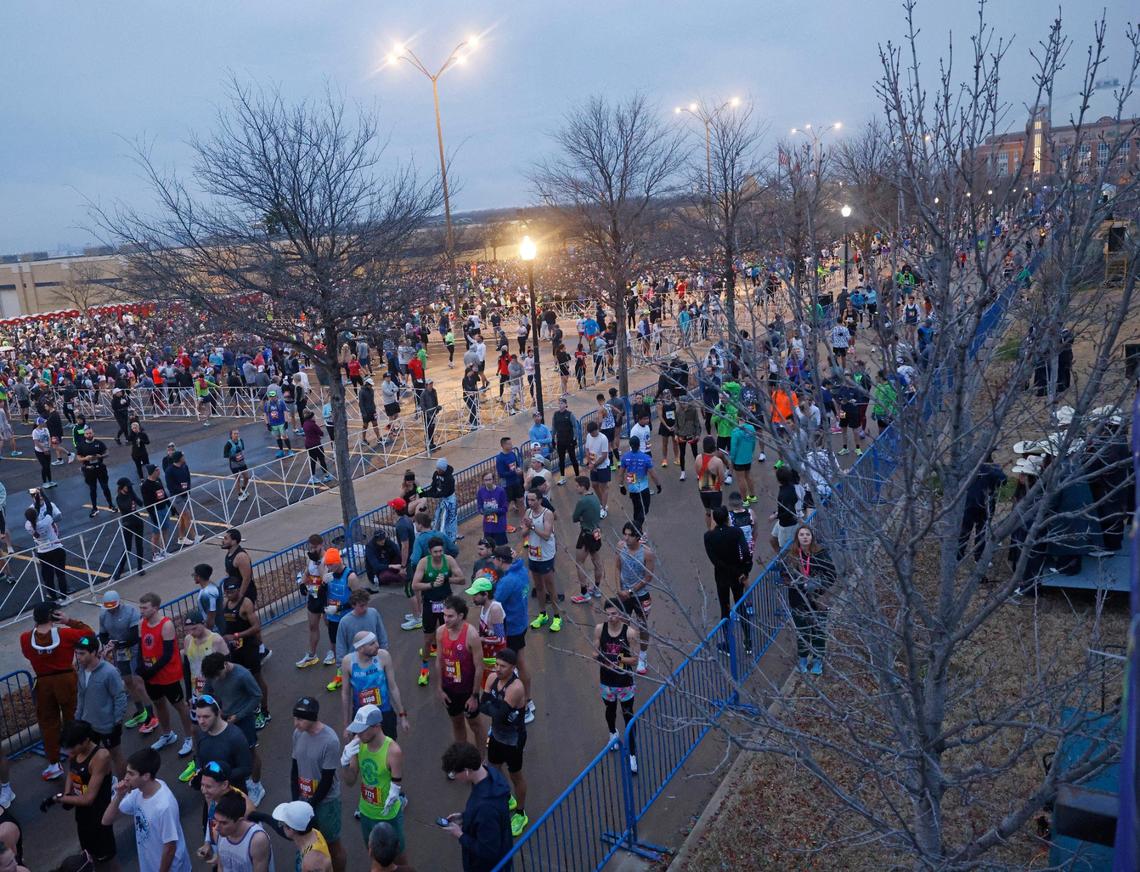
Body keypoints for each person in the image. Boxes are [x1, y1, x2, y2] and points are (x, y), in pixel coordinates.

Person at [20, 602, 93, 779]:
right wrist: (69, 621)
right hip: (65, 679)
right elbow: (89, 635)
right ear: (52, 615)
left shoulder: (25, 638)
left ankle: (54, 763)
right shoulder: (65, 634)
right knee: (72, 718)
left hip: (43, 683)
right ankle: (78, 754)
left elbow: (27, 654)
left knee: (48, 723)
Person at [101, 747, 193, 872]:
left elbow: (170, 848)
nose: (126, 777)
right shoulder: (138, 792)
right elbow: (106, 820)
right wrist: (119, 795)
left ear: (146, 776)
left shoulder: (164, 806)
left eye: (131, 773)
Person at [341, 705, 407, 861]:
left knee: (399, 857)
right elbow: (350, 781)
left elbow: (397, 782)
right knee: (375, 856)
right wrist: (344, 763)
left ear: (377, 726)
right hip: (366, 813)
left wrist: (394, 793)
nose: (358, 734)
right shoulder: (357, 745)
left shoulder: (393, 751)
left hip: (389, 815)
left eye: (362, 730)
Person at [54, 719, 118, 871]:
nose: (69, 751)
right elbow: (72, 771)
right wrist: (68, 791)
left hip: (99, 817)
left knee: (108, 861)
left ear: (86, 740)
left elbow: (89, 798)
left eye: (72, 747)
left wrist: (61, 798)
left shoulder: (101, 757)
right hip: (82, 816)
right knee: (89, 857)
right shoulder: (75, 751)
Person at [201, 653, 266, 805]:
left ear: (225, 665)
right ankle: (239, 783)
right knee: (230, 754)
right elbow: (207, 690)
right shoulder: (213, 674)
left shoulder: (242, 674)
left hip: (244, 721)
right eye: (213, 677)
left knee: (251, 753)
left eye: (217, 675)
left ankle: (257, 785)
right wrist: (213, 709)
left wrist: (239, 715)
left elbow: (257, 696)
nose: (216, 679)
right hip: (224, 720)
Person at [439, 741, 513, 872]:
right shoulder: (491, 776)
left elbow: (488, 851)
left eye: (455, 773)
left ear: (467, 771)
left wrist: (460, 835)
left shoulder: (486, 808)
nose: (454, 777)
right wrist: (464, 816)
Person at [136, 592, 195, 757]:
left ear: (155, 608)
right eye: (140, 607)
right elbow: (141, 647)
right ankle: (167, 734)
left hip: (167, 674)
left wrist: (151, 670)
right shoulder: (142, 623)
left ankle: (190, 737)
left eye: (145, 607)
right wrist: (141, 666)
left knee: (179, 706)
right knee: (158, 704)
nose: (142, 610)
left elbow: (168, 654)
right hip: (151, 675)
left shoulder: (166, 625)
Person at [479, 648, 529, 837]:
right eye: (496, 664)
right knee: (494, 768)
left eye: (503, 666)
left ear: (513, 668)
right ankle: (507, 797)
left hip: (513, 739)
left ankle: (520, 813)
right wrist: (492, 706)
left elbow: (497, 715)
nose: (498, 669)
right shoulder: (492, 678)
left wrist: (491, 706)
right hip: (497, 736)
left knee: (516, 775)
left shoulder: (516, 687)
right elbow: (484, 704)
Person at [97, 590, 156, 734]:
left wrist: (117, 643)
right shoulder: (104, 615)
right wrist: (108, 643)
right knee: (127, 681)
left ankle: (151, 715)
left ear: (119, 604)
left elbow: (134, 635)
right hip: (120, 652)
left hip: (134, 650)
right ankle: (140, 711)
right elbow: (103, 635)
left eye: (113, 607)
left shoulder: (130, 612)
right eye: (108, 608)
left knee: (138, 682)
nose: (111, 610)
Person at [780, 525, 836, 675]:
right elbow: (784, 575)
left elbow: (832, 574)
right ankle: (803, 658)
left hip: (818, 599)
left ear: (812, 537)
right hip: (798, 599)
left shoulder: (820, 554)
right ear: (797, 538)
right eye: (802, 534)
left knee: (818, 631)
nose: (805, 537)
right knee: (802, 631)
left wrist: (818, 584)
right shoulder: (791, 555)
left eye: (808, 534)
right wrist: (793, 581)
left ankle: (818, 660)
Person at [411, 537, 467, 687]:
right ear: (430, 552)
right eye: (435, 551)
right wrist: (431, 584)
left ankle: (451, 666)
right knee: (428, 639)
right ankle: (424, 668)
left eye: (441, 551)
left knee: (449, 636)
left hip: (446, 604)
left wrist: (448, 578)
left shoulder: (448, 560)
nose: (438, 554)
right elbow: (415, 585)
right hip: (430, 604)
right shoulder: (424, 562)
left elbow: (462, 579)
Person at [490, 546, 535, 724]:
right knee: (520, 663)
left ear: (501, 560)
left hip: (512, 628)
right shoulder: (521, 570)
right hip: (521, 622)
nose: (493, 562)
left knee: (518, 664)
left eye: (495, 559)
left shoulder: (508, 581)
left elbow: (495, 602)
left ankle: (526, 703)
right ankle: (528, 701)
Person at [595, 598, 640, 773]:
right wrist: (599, 656)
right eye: (608, 614)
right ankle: (612, 733)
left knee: (628, 714)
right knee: (610, 710)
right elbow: (594, 650)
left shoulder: (629, 633)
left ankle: (632, 754)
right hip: (607, 680)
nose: (611, 617)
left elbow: (635, 659)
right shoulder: (600, 629)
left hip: (624, 681)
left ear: (620, 614)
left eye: (614, 614)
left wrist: (617, 660)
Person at [703, 505, 755, 656]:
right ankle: (748, 641)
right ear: (727, 518)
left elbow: (714, 560)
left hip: (721, 576)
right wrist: (743, 570)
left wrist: (726, 568)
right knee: (741, 606)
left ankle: (728, 643)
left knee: (724, 609)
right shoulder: (736, 532)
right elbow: (745, 552)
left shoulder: (708, 536)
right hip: (737, 574)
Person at [220, 576, 271, 727]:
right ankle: (248, 709)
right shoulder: (225, 603)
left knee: (256, 678)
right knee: (238, 679)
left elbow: (256, 627)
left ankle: (265, 711)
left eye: (231, 591)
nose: (228, 594)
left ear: (238, 590)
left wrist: (236, 635)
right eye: (226, 591)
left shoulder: (246, 603)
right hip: (234, 650)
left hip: (249, 647)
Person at [74, 636, 129, 778]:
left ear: (93, 653)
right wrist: (78, 718)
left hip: (108, 725)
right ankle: (105, 784)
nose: (78, 657)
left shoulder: (109, 672)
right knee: (94, 758)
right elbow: (81, 696)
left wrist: (117, 722)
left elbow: (120, 697)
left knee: (115, 755)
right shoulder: (81, 670)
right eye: (77, 653)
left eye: (82, 654)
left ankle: (125, 787)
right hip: (88, 725)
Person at [340, 630, 408, 740]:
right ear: (360, 648)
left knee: (388, 749)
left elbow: (393, 687)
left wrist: (402, 715)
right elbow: (345, 694)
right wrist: (346, 725)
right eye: (372, 644)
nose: (377, 645)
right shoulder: (348, 662)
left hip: (384, 713)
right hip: (361, 717)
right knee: (363, 751)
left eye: (376, 641)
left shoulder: (383, 656)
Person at [436, 597, 484, 747]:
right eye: (444, 615)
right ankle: (462, 760)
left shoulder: (471, 635)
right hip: (450, 690)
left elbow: (479, 667)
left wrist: (474, 696)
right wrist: (439, 688)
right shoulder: (440, 632)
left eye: (450, 616)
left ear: (461, 616)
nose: (445, 619)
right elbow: (439, 661)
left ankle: (481, 760)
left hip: (467, 691)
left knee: (475, 725)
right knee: (457, 724)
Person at [523, 489, 561, 632]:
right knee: (538, 586)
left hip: (546, 554)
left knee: (550, 585)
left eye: (533, 500)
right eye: (528, 500)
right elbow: (523, 533)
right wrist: (527, 526)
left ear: (540, 500)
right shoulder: (527, 513)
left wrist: (532, 526)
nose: (530, 503)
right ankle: (542, 614)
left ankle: (557, 616)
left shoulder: (547, 514)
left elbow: (546, 535)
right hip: (533, 553)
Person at [211, 790, 274, 871]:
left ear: (240, 820)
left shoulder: (257, 840)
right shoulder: (218, 832)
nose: (216, 827)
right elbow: (221, 866)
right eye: (216, 820)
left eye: (224, 823)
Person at [25, 489, 69, 600]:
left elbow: (36, 510)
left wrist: (35, 499)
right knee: (60, 574)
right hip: (56, 548)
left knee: (48, 577)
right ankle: (64, 597)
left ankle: (53, 597)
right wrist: (43, 494)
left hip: (43, 552)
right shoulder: (46, 521)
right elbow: (48, 507)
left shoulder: (28, 526)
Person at [618, 435, 662, 536]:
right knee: (644, 510)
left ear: (630, 445)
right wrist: (658, 485)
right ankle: (636, 531)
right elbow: (653, 474)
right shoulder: (646, 458)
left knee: (636, 509)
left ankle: (638, 531)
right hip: (643, 489)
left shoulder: (625, 457)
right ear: (639, 445)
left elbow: (621, 473)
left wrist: (621, 486)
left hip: (632, 489)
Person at [570, 476, 605, 602]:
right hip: (596, 533)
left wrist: (582, 518)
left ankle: (584, 593)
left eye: (577, 486)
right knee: (597, 562)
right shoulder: (595, 497)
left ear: (582, 486)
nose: (575, 488)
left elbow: (574, 518)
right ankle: (597, 589)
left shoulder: (582, 501)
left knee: (579, 563)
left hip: (586, 534)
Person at [112, 477, 147, 580]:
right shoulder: (119, 497)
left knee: (139, 544)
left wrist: (133, 495)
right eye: (128, 486)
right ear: (122, 487)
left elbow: (140, 503)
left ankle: (140, 567)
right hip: (128, 523)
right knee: (128, 548)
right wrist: (131, 497)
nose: (130, 488)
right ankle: (120, 570)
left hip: (137, 521)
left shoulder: (131, 493)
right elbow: (125, 508)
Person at [165, 451, 202, 547]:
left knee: (182, 518)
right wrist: (181, 490)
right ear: (179, 458)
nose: (184, 457)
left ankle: (181, 538)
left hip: (185, 495)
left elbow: (188, 479)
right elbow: (170, 486)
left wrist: (188, 490)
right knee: (187, 515)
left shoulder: (185, 466)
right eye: (182, 456)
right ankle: (195, 537)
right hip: (177, 497)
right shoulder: (169, 471)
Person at [76, 426, 114, 517]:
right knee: (92, 489)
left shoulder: (99, 443)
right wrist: (86, 458)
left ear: (93, 433)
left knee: (105, 487)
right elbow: (78, 458)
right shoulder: (81, 445)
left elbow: (107, 453)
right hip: (89, 470)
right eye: (87, 433)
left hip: (100, 468)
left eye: (90, 433)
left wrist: (100, 456)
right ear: (84, 435)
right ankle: (94, 508)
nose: (89, 435)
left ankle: (111, 505)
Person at [421, 458, 459, 543]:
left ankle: (450, 540)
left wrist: (430, 494)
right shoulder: (436, 474)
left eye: (440, 469)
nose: (437, 470)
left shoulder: (449, 478)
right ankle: (437, 537)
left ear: (443, 469)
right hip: (442, 500)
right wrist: (422, 492)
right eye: (437, 468)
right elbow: (433, 488)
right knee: (437, 517)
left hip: (450, 501)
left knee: (449, 520)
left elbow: (443, 492)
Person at [141, 464, 174, 561]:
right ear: (152, 472)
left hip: (163, 509)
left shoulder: (158, 481)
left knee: (165, 530)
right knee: (156, 533)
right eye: (157, 470)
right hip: (155, 511)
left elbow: (164, 495)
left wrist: (171, 507)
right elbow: (147, 503)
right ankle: (155, 554)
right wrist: (153, 515)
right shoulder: (145, 486)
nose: (159, 472)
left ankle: (163, 550)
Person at [695, 435, 727, 530]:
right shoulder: (717, 461)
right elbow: (722, 478)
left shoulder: (698, 458)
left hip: (703, 490)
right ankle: (714, 534)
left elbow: (697, 472)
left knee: (708, 512)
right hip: (715, 491)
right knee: (715, 514)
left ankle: (709, 530)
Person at [583, 420, 611, 519]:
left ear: (597, 430)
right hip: (593, 465)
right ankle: (602, 503)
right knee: (594, 485)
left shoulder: (603, 438)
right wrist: (590, 462)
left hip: (603, 466)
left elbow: (604, 455)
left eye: (593, 432)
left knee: (604, 487)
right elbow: (587, 449)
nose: (592, 434)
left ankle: (603, 509)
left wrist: (594, 465)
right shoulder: (589, 436)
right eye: (590, 433)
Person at [475, 472, 509, 547]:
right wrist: (482, 511)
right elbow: (479, 506)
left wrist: (494, 510)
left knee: (500, 547)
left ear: (493, 480)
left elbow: (505, 509)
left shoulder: (501, 491)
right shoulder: (481, 491)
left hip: (499, 525)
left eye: (489, 479)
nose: (488, 482)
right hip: (488, 526)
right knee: (488, 547)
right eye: (486, 480)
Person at [494, 437, 523, 525]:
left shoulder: (513, 454)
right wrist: (513, 472)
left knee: (521, 501)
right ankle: (503, 524)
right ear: (503, 445)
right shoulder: (500, 458)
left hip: (516, 482)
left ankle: (523, 521)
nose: (511, 445)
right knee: (506, 504)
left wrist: (519, 469)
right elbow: (501, 473)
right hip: (507, 484)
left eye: (511, 443)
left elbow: (517, 465)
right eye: (509, 444)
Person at [728, 418, 758, 505]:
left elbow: (733, 448)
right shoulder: (751, 428)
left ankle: (744, 500)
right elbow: (753, 442)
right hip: (748, 457)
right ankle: (753, 496)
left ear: (738, 418)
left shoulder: (735, 431)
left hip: (738, 460)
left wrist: (732, 458)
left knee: (741, 479)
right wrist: (751, 453)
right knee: (748, 476)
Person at [550, 397, 578, 484]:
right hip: (560, 441)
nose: (560, 405)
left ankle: (577, 476)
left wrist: (575, 438)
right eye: (559, 403)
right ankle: (562, 477)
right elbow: (554, 427)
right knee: (561, 460)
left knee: (573, 458)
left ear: (566, 405)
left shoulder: (570, 414)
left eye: (562, 403)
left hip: (569, 440)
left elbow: (575, 427)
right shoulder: (555, 415)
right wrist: (552, 439)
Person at [265, 386, 294, 457]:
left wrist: (286, 422)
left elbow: (285, 412)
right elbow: (265, 415)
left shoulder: (281, 402)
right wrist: (267, 424)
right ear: (269, 397)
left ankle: (290, 450)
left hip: (281, 422)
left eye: (273, 396)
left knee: (284, 436)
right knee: (277, 437)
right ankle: (281, 451)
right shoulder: (267, 404)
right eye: (271, 396)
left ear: (276, 396)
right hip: (273, 424)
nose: (272, 398)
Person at [224, 428, 252, 501]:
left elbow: (242, 449)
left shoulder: (240, 440)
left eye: (237, 433)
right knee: (237, 479)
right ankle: (240, 494)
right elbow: (225, 454)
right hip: (233, 463)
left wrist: (239, 456)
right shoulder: (228, 444)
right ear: (231, 435)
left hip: (241, 461)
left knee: (246, 476)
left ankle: (244, 488)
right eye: (235, 434)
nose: (236, 435)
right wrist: (233, 457)